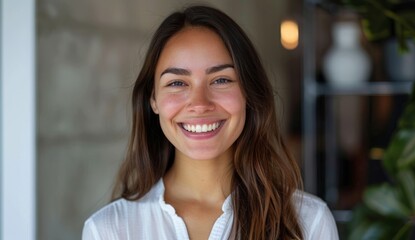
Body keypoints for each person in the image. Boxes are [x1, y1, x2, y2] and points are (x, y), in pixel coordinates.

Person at [82, 5, 338, 240]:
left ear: (249, 93)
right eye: (177, 83)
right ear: (153, 100)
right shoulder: (109, 230)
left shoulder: (308, 222)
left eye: (221, 80)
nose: (200, 103)